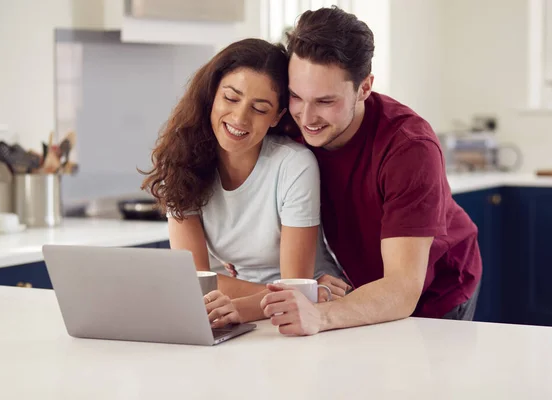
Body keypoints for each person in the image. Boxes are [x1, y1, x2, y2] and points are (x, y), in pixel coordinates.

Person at [261, 7, 483, 336]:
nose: (306, 116)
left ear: (364, 88)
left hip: (436, 290)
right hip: (364, 288)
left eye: (325, 101)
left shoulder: (410, 148)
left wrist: (320, 316)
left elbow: (403, 288)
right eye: (296, 96)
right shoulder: (292, 123)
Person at [140, 38, 348, 329]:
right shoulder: (181, 163)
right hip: (268, 308)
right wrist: (305, 294)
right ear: (212, 94)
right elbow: (195, 280)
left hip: (312, 318)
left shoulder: (294, 166)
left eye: (259, 109)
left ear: (277, 117)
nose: (239, 118)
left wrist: (292, 297)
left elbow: (294, 288)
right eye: (231, 98)